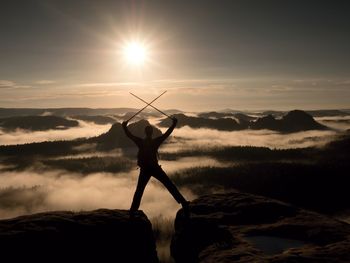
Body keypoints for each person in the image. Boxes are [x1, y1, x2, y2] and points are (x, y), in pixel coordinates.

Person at [122, 117, 190, 217]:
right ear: (152, 133)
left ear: (145, 133)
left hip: (145, 169)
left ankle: (133, 210)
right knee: (169, 184)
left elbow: (129, 135)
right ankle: (183, 203)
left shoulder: (140, 142)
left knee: (139, 190)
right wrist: (174, 124)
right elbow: (167, 134)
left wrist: (124, 127)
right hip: (155, 168)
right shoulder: (156, 142)